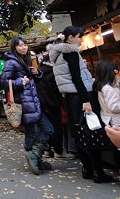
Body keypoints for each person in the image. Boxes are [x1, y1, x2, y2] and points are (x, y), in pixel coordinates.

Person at [49, 26, 114, 183]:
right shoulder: (70, 53)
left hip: (72, 98)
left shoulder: (60, 54)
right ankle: (97, 171)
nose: (80, 40)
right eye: (79, 37)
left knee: (80, 131)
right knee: (91, 131)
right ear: (70, 38)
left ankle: (87, 169)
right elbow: (77, 78)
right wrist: (86, 100)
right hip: (81, 96)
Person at [1, 37, 54, 175]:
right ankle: (35, 157)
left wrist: (37, 73)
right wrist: (20, 82)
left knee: (48, 129)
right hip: (24, 102)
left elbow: (32, 80)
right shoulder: (11, 63)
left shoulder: (25, 60)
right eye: (20, 46)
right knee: (33, 132)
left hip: (33, 101)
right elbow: (4, 82)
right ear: (14, 48)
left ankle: (35, 156)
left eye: (25, 45)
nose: (24, 48)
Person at [35, 51, 74, 160]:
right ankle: (58, 151)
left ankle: (48, 150)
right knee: (57, 127)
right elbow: (58, 89)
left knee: (46, 127)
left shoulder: (38, 72)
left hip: (42, 103)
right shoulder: (55, 72)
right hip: (53, 102)